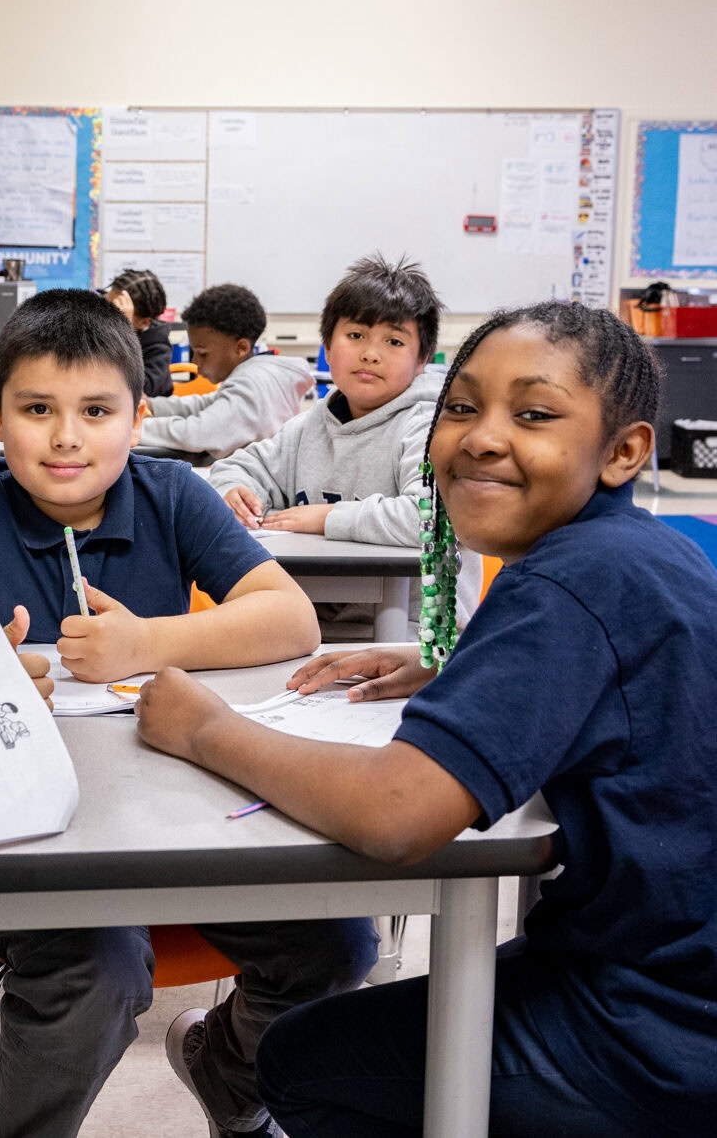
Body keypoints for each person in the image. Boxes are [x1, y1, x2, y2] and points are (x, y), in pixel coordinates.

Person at [137, 301, 717, 1136]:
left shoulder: (565, 584)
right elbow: (608, 672)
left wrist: (203, 729)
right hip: (671, 972)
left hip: (655, 1025)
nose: (480, 437)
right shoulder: (641, 550)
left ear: (623, 451)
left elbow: (398, 814)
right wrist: (451, 667)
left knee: (304, 1063)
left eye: (533, 414)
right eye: (460, 407)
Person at [0, 290, 372, 1138]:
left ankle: (226, 1073)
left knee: (335, 947)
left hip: (175, 819)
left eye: (96, 411)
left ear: (137, 419)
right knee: (98, 969)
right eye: (37, 409)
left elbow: (290, 619)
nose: (66, 436)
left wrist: (145, 645)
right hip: (36, 829)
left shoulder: (171, 493)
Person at [208, 254, 479, 629]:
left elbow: (436, 519)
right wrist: (233, 488)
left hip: (415, 635)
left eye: (394, 341)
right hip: (318, 625)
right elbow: (238, 465)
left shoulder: (431, 426)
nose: (370, 353)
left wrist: (327, 518)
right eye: (355, 336)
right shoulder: (309, 426)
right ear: (328, 347)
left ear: (422, 361)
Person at [142, 283, 315, 460]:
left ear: (240, 348)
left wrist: (131, 427)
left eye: (202, 354)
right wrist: (152, 406)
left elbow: (199, 433)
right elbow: (207, 404)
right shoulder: (257, 373)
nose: (195, 362)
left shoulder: (252, 383)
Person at [106, 267, 175, 397]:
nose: (104, 314)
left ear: (144, 322)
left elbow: (139, 391)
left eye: (115, 312)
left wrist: (122, 330)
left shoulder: (159, 348)